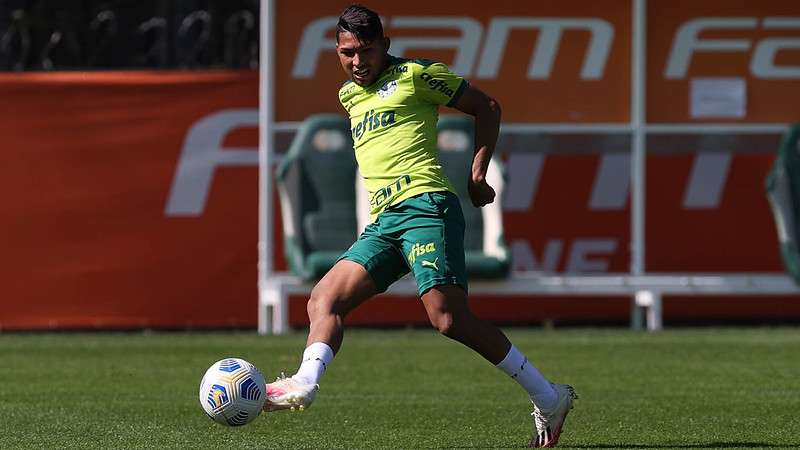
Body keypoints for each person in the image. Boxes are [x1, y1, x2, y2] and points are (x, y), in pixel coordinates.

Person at [263, 4, 577, 447]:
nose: (357, 62)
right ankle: (306, 383)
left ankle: (549, 397)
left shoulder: (416, 75)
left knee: (448, 319)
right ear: (336, 51)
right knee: (324, 298)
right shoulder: (348, 96)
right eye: (347, 52)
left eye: (366, 51)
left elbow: (487, 106)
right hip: (385, 220)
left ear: (385, 46)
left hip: (426, 205)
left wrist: (477, 173)